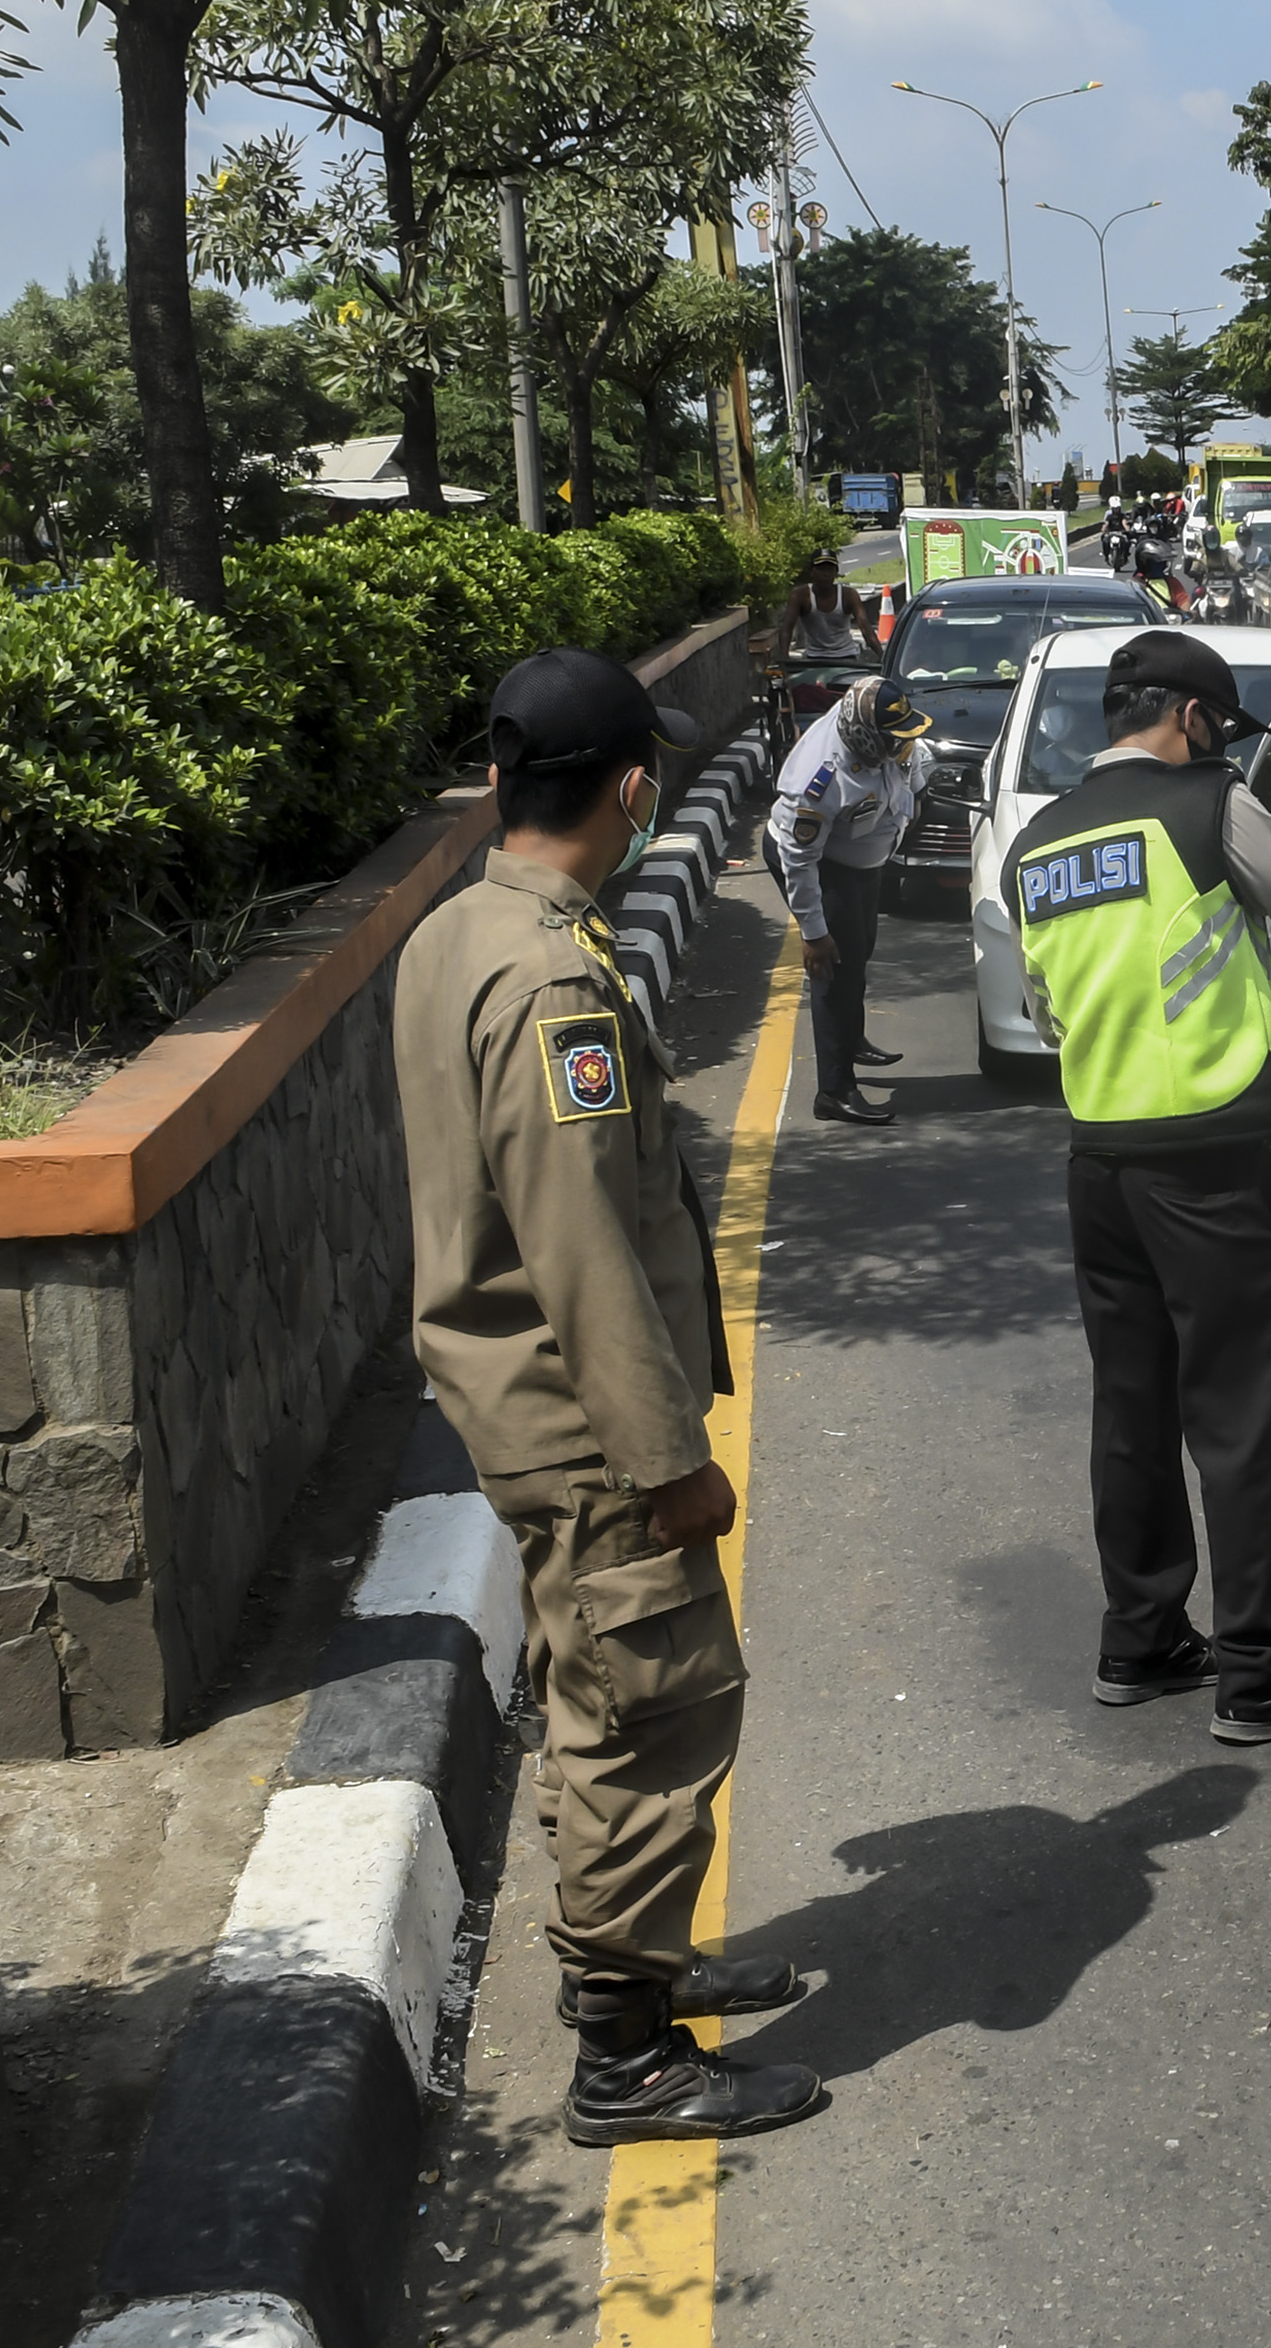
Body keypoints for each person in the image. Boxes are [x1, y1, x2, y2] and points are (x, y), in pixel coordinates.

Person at [394, 647, 821, 2147]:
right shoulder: (550, 980)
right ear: (636, 787)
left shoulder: (460, 932)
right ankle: (626, 2052)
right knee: (655, 1705)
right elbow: (578, 1244)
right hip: (587, 1430)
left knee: (601, 1687)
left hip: (519, 1406)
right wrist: (668, 1459)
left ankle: (644, 1967)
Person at [1003, 631, 1271, 1744]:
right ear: (1195, 719)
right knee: (1244, 1417)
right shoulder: (1206, 804)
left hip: (1100, 1161)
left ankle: (1143, 1636)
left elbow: (1043, 1012)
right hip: (1212, 1162)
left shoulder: (1041, 842)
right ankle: (1260, 1674)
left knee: (1134, 1408)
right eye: (1222, 731)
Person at [766, 671, 929, 1126]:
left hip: (862, 862)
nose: (902, 744)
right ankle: (834, 1090)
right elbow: (798, 859)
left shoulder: (890, 735)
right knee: (835, 968)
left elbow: (911, 765)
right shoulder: (819, 781)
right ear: (864, 737)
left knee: (861, 950)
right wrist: (814, 934)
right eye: (893, 739)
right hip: (821, 866)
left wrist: (913, 803)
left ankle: (850, 1038)